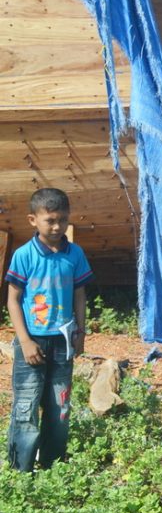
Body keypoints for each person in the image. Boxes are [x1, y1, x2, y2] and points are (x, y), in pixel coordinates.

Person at [5, 188, 93, 472]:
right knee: (26, 407)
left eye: (63, 220)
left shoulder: (74, 253)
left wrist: (80, 332)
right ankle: (21, 470)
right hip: (32, 342)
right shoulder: (23, 255)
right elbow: (13, 299)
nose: (57, 227)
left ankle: (53, 466)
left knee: (60, 407)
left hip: (63, 342)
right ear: (33, 220)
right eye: (50, 220)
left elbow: (80, 294)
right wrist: (26, 341)